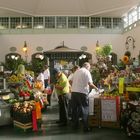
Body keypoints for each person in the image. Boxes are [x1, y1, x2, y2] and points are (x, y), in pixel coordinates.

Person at [71, 62, 99, 132]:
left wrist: (75, 87)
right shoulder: (87, 72)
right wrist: (96, 89)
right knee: (84, 109)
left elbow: (71, 81)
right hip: (82, 93)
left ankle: (75, 125)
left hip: (74, 92)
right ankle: (86, 127)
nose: (89, 69)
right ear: (87, 67)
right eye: (89, 68)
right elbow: (90, 83)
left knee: (75, 109)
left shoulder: (77, 71)